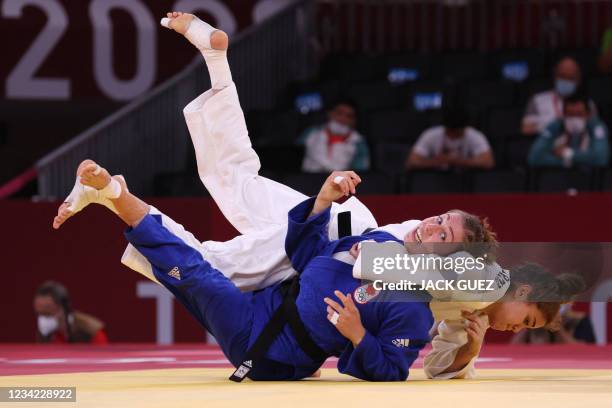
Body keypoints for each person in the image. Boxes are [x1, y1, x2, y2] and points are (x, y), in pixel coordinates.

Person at [60, 159, 435, 382]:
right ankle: (111, 197)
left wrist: (357, 336)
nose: (432, 226)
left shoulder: (413, 305)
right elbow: (306, 252)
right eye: (438, 218)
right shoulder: (378, 242)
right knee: (183, 272)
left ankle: (112, 193)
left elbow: (391, 369)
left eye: (444, 233)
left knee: (195, 271)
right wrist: (321, 199)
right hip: (265, 301)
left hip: (267, 349)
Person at [528, 92, 609, 168]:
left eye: (579, 114)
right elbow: (534, 158)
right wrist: (566, 162)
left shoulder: (596, 126)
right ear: (563, 115)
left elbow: (601, 158)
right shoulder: (555, 125)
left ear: (588, 115)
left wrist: (568, 153)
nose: (574, 119)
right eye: (570, 114)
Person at [522, 57, 596, 136]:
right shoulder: (537, 100)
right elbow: (526, 129)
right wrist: (554, 125)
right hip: (548, 145)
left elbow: (596, 129)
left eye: (571, 78)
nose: (566, 80)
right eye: (562, 76)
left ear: (578, 80)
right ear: (555, 75)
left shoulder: (588, 103)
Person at [405, 107, 494, 170]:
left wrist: (458, 161)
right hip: (435, 180)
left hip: (465, 181)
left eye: (458, 133)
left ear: (465, 128)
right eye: (451, 132)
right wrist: (437, 162)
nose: (454, 137)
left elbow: (488, 162)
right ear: (445, 127)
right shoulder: (431, 134)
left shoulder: (475, 135)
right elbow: (412, 162)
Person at [298, 100, 370, 173]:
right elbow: (293, 156)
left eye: (349, 116)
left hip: (339, 182)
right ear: (329, 113)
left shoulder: (359, 142)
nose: (343, 119)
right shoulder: (310, 133)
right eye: (339, 113)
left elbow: (360, 171)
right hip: (307, 178)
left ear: (354, 121)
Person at [34, 281, 108, 344]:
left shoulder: (91, 332)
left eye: (48, 312)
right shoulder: (46, 335)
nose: (42, 319)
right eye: (39, 313)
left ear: (64, 308)